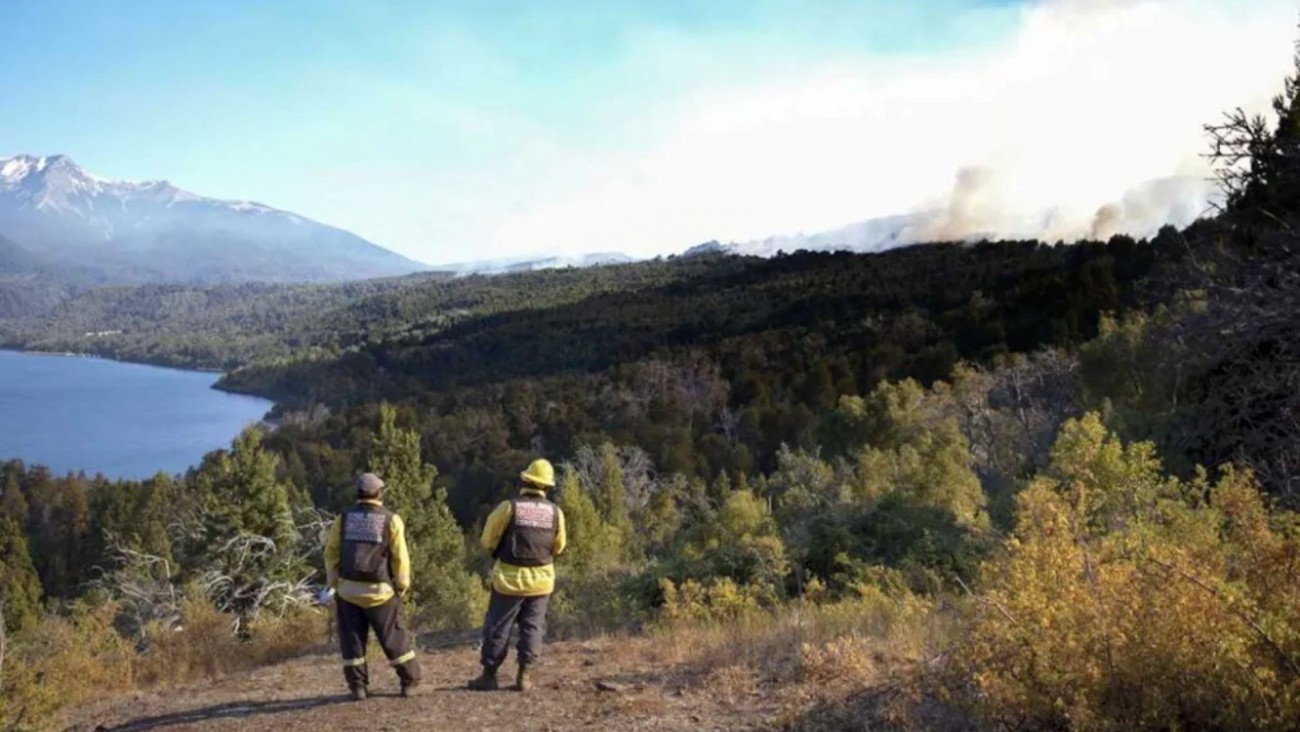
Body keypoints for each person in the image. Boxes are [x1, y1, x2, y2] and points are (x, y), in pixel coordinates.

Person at [467, 458, 567, 692]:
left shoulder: (508, 508)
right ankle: (525, 675)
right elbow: (559, 546)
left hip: (508, 580)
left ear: (525, 481)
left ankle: (489, 676)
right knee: (533, 627)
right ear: (547, 486)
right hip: (542, 581)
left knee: (498, 627)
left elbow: (486, 540)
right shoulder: (556, 513)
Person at [324, 472, 422, 700]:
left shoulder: (343, 519)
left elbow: (331, 552)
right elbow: (400, 557)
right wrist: (402, 585)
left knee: (352, 642)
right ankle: (409, 681)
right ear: (379, 493)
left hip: (348, 591)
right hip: (381, 592)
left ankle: (358, 687)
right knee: (394, 638)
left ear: (358, 493)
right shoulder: (391, 520)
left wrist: (335, 582)